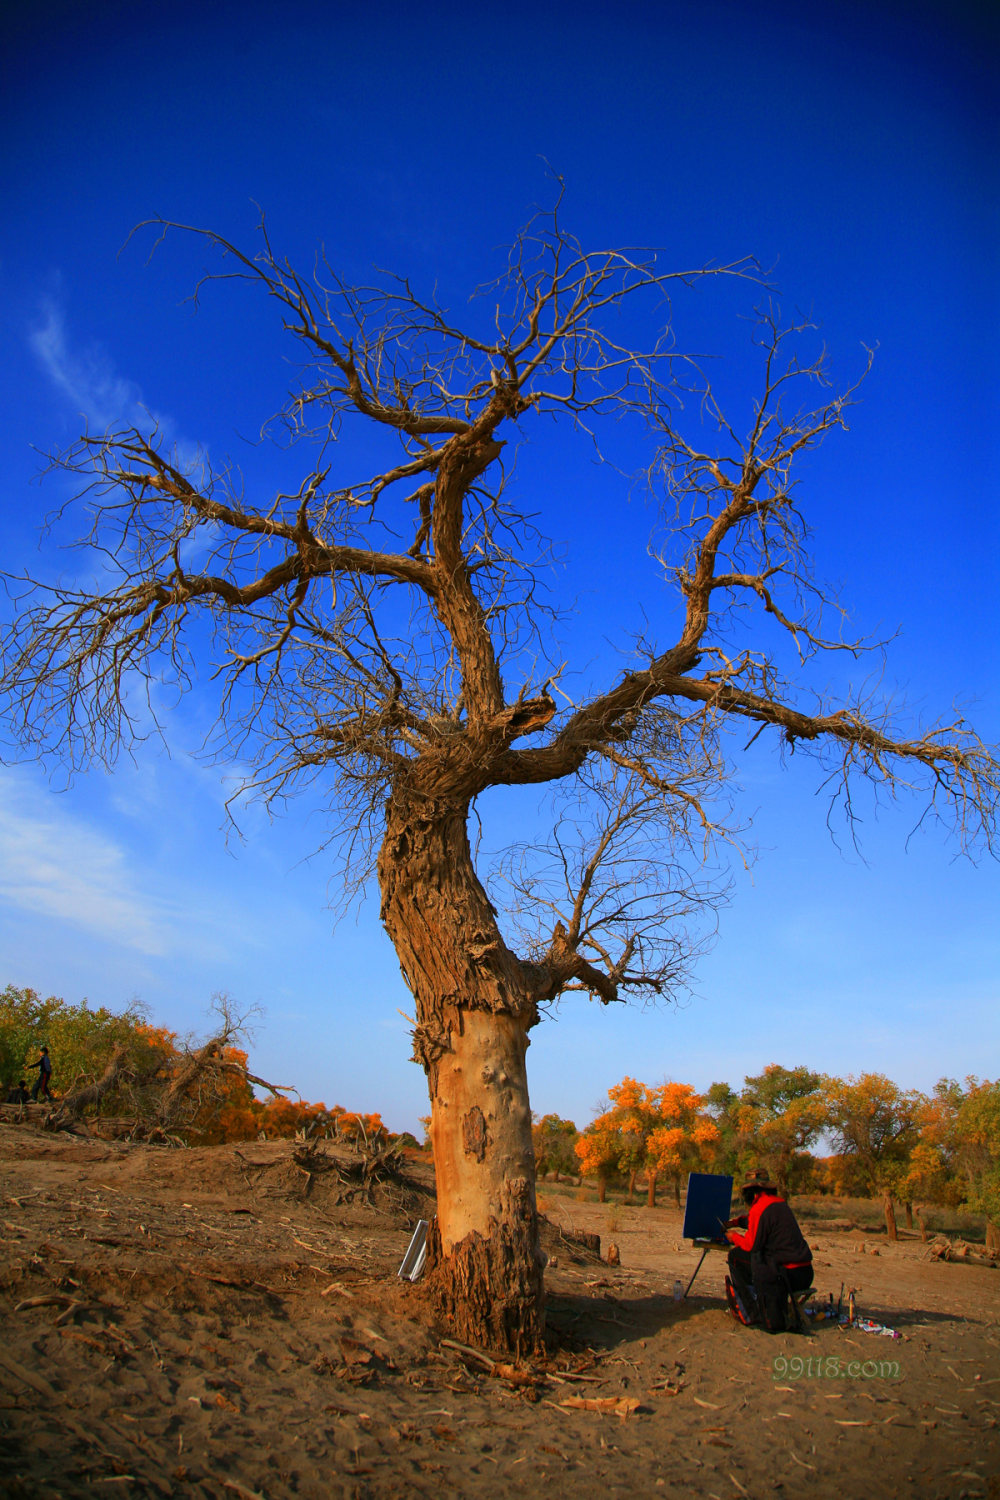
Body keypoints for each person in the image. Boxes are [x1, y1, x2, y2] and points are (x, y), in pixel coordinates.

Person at [724, 1168, 813, 1333]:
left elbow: (751, 1245)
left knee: (736, 1256)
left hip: (787, 1276)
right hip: (805, 1274)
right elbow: (754, 1220)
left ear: (753, 1193)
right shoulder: (779, 1203)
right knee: (758, 1257)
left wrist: (733, 1236)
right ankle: (759, 1301)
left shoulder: (759, 1208)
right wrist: (736, 1222)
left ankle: (751, 1311)